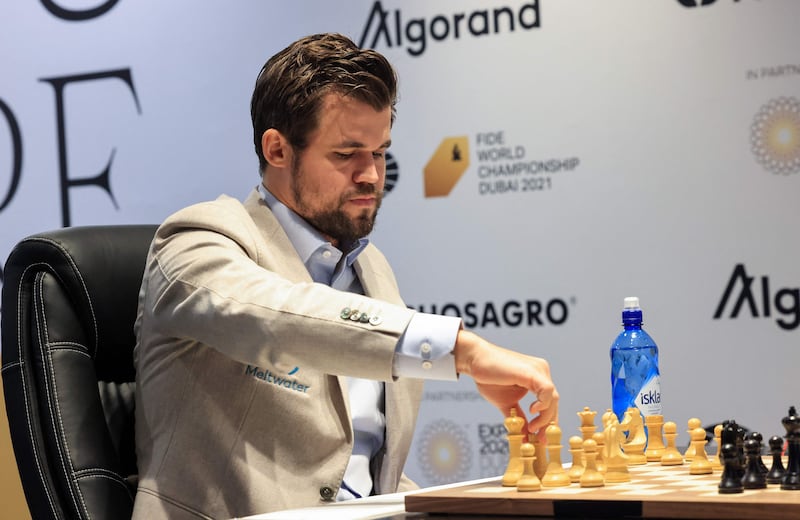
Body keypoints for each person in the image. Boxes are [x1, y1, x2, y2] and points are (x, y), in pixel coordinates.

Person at [132, 32, 558, 519]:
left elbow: (362, 480)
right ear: (277, 149)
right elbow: (279, 319)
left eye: (379, 153)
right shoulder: (197, 240)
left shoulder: (372, 269)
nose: (373, 176)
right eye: (346, 154)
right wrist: (463, 350)